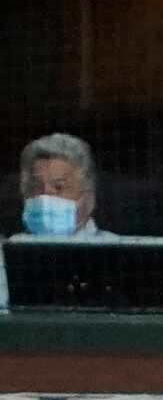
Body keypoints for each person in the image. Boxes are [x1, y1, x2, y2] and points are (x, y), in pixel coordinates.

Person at [4, 132, 113, 312]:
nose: (45, 196)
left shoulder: (117, 254)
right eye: (35, 187)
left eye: (59, 187)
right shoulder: (4, 256)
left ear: (89, 199)